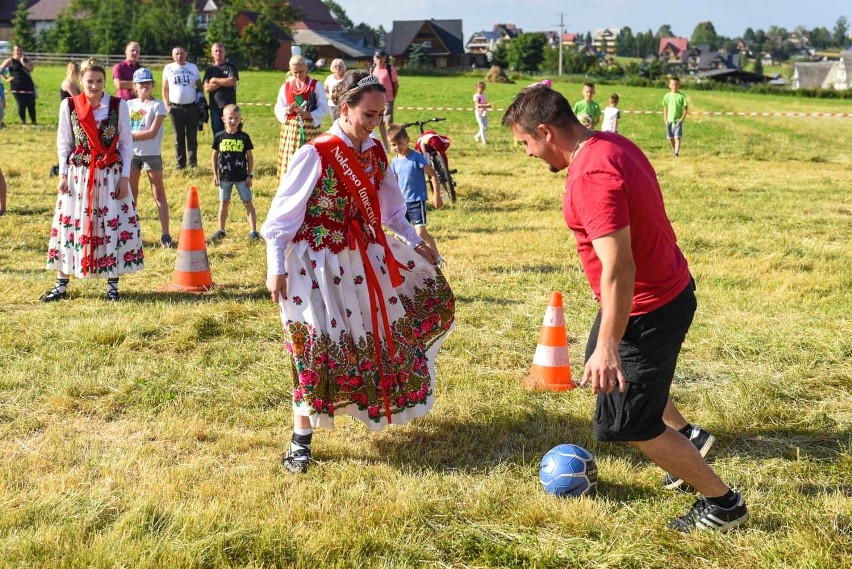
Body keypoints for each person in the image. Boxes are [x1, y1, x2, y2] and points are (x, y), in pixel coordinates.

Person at [502, 85, 748, 533]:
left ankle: (722, 503)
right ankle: (687, 438)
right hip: (657, 293)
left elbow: (619, 266)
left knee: (626, 422)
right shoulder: (612, 144)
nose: (527, 154)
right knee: (608, 376)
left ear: (544, 131)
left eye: (525, 144)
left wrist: (611, 344)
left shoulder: (590, 175)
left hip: (647, 307)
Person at [262, 70, 455, 474]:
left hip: (358, 260)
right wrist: (275, 267)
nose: (374, 123)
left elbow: (393, 212)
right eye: (368, 114)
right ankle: (301, 440)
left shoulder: (375, 153)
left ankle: (358, 405)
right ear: (344, 108)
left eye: (380, 115)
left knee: (361, 340)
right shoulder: (315, 153)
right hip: (314, 262)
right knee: (313, 345)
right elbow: (281, 219)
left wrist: (417, 240)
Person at [42, 57, 143, 303]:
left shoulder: (119, 106)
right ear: (81, 80)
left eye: (99, 81)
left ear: (105, 81)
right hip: (79, 176)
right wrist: (63, 175)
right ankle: (61, 283)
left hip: (110, 174)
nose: (95, 86)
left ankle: (112, 284)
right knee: (71, 224)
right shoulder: (69, 106)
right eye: (89, 81)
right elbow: (64, 144)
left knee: (111, 224)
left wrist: (125, 178)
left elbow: (127, 144)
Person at [128, 67, 172, 248]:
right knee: (131, 195)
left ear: (152, 85)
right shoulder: (128, 105)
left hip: (151, 154)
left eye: (148, 83)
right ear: (135, 86)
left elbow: (152, 133)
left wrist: (127, 136)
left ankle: (165, 234)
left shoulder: (158, 105)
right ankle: (129, 232)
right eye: (141, 83)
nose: (145, 86)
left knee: (158, 193)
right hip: (131, 154)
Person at [388, 123, 443, 258]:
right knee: (399, 235)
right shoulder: (394, 162)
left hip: (417, 201)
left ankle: (437, 257)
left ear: (407, 140)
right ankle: (406, 261)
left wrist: (437, 195)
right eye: (394, 145)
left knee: (420, 233)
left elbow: (433, 174)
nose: (397, 147)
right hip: (402, 204)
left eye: (400, 143)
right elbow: (393, 183)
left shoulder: (416, 157)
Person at [273, 55, 328, 182]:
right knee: (290, 161)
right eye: (295, 72)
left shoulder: (315, 85)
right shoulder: (286, 87)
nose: (298, 75)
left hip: (310, 131)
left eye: (301, 72)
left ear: (307, 68)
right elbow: (278, 106)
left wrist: (309, 115)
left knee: (309, 160)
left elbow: (323, 107)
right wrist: (287, 110)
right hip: (291, 132)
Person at [210, 104, 257, 242]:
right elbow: (214, 156)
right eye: (230, 118)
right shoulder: (219, 137)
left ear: (240, 119)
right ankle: (221, 230)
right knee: (224, 203)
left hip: (242, 177)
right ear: (223, 119)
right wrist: (215, 175)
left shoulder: (244, 137)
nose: (233, 121)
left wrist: (250, 175)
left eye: (236, 118)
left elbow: (249, 156)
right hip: (225, 177)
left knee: (247, 202)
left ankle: (253, 231)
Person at [162, 46, 202, 169]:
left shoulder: (193, 67)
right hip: (175, 108)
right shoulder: (168, 68)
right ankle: (180, 163)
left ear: (186, 54)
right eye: (176, 54)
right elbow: (165, 90)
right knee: (178, 138)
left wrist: (201, 105)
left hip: (192, 107)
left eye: (181, 53)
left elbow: (199, 87)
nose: (179, 56)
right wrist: (167, 106)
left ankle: (192, 163)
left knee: (192, 137)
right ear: (173, 56)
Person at [203, 42, 239, 136]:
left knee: (232, 132)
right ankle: (219, 151)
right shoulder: (209, 70)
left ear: (224, 52)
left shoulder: (231, 67)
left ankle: (232, 151)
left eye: (220, 51)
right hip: (215, 107)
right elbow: (207, 88)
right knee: (218, 134)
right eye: (216, 51)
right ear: (212, 53)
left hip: (230, 107)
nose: (218, 53)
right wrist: (224, 82)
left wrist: (215, 80)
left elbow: (232, 81)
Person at [0, 45, 36, 125]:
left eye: (20, 50)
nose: (19, 52)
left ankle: (34, 122)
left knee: (31, 105)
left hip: (28, 85)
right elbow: (0, 70)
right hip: (17, 86)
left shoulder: (26, 60)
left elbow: (31, 69)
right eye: (17, 50)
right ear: (13, 51)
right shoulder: (10, 61)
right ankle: (24, 123)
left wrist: (23, 62)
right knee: (21, 105)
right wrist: (6, 79)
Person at [370, 50, 398, 125]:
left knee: (388, 122)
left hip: (388, 100)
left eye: (381, 58)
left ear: (385, 58)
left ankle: (391, 136)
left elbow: (396, 85)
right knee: (380, 122)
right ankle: (384, 137)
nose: (379, 60)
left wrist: (393, 96)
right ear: (374, 58)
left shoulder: (390, 68)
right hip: (376, 100)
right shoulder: (372, 69)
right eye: (377, 58)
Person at [663, 76, 688, 157]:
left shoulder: (681, 96)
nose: (674, 86)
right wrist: (665, 119)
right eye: (673, 84)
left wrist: (681, 119)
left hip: (678, 120)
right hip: (669, 120)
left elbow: (685, 109)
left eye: (676, 84)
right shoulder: (667, 96)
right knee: (671, 138)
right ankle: (675, 151)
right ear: (669, 85)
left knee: (677, 137)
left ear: (679, 85)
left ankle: (676, 153)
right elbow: (665, 108)